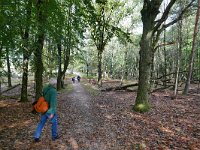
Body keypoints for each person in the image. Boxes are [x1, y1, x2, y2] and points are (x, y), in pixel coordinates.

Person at [34, 78, 60, 142]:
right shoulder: (53, 91)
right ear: (54, 84)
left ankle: (36, 136)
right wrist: (52, 112)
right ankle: (54, 136)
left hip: (43, 108)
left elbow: (44, 97)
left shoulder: (45, 88)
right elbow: (53, 102)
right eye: (55, 84)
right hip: (49, 110)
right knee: (54, 122)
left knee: (41, 123)